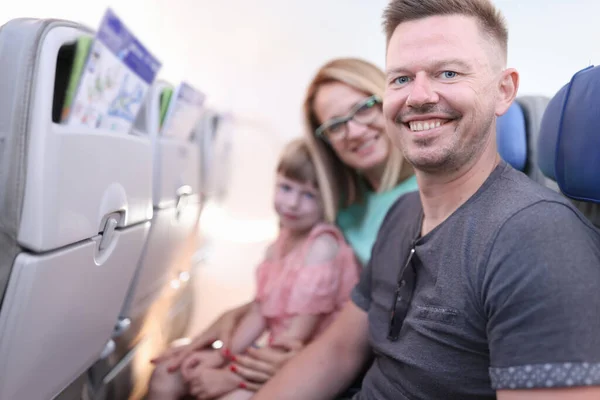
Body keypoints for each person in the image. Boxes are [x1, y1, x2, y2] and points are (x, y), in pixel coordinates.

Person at [251, 0, 600, 399]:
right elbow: (336, 352)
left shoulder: (538, 239)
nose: (417, 96)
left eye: (447, 73)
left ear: (503, 91)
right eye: (400, 79)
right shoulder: (402, 214)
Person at [148, 57, 418, 393]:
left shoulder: (425, 193)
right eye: (335, 125)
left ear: (386, 100)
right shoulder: (340, 205)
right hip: (305, 341)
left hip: (355, 356)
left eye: (363, 108)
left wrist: (296, 360)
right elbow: (309, 292)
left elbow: (386, 324)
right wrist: (233, 319)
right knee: (168, 372)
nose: (354, 131)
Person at [147, 138, 360, 400]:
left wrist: (229, 376)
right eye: (286, 188)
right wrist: (220, 356)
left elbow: (293, 341)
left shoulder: (322, 248)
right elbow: (260, 311)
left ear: (329, 199)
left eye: (308, 195)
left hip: (301, 363)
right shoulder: (279, 243)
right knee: (165, 374)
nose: (292, 203)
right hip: (269, 355)